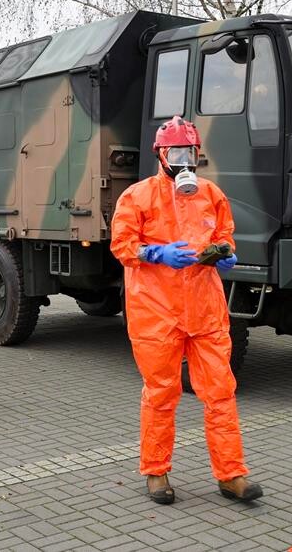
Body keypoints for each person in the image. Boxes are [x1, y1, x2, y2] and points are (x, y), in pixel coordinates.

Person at [110, 116, 263, 505]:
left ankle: (231, 475)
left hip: (206, 311)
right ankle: (156, 471)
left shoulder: (211, 194)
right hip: (155, 312)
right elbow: (121, 245)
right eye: (176, 153)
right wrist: (153, 252)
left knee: (221, 393)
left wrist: (224, 254)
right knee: (162, 393)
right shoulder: (137, 197)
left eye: (189, 153)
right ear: (161, 155)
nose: (184, 161)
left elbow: (224, 235)